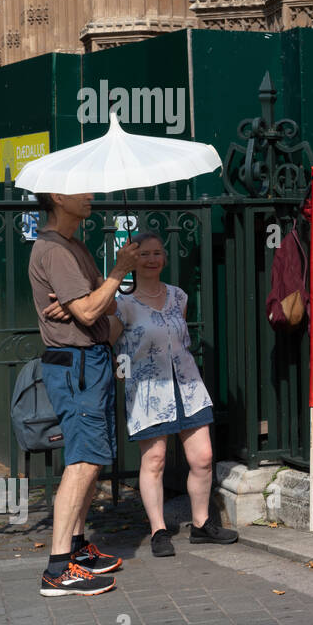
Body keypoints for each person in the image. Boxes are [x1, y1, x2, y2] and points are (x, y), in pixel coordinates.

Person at [29, 192, 138, 597]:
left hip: (89, 361)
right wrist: (119, 270)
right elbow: (93, 312)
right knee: (84, 461)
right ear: (58, 196)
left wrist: (93, 300)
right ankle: (58, 570)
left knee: (93, 457)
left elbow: (103, 308)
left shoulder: (73, 246)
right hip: (76, 364)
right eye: (81, 189)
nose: (90, 195)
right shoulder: (55, 250)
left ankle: (75, 550)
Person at [113, 232, 238, 557]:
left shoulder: (179, 297)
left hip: (188, 386)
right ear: (132, 260)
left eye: (157, 253)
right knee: (154, 460)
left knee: (203, 458)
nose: (152, 259)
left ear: (165, 258)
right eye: (144, 254)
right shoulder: (122, 303)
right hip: (149, 392)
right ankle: (158, 530)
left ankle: (201, 524)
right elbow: (112, 342)